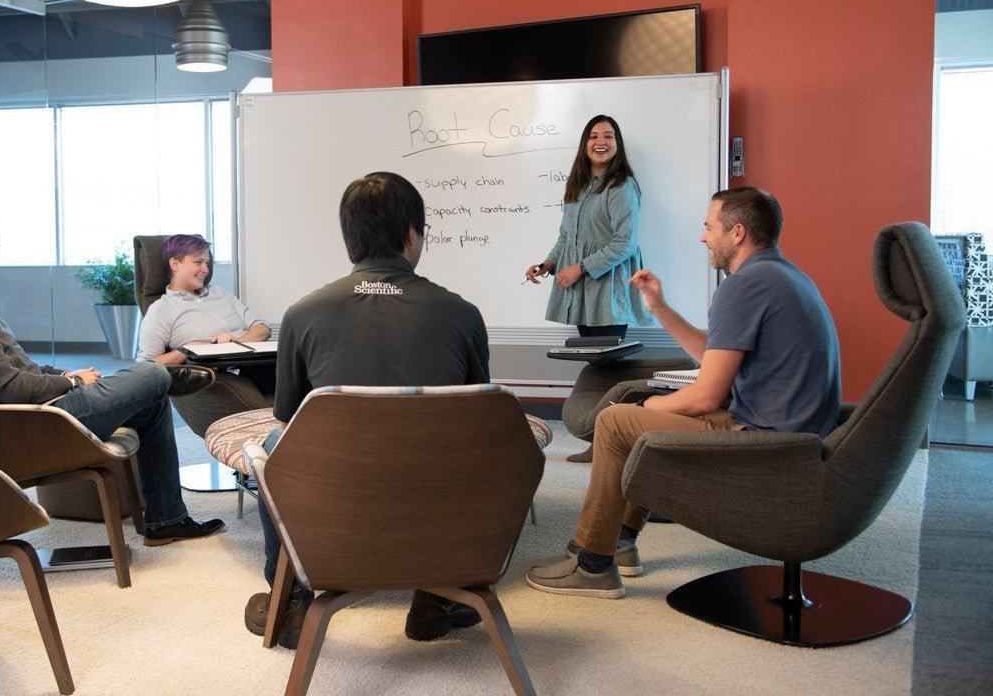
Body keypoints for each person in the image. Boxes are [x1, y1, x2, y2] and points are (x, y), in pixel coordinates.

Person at [526, 186, 840, 598]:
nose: (703, 236)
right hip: (792, 440)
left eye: (709, 227)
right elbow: (714, 355)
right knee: (640, 414)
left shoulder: (743, 287)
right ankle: (619, 541)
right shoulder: (781, 276)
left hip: (766, 445)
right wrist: (658, 307)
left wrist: (655, 404)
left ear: (738, 232)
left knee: (617, 418)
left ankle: (591, 562)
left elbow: (706, 397)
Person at [243, 171, 491, 649]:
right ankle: (442, 595)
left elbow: (288, 418)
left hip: (339, 497)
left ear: (349, 239)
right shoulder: (462, 314)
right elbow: (476, 419)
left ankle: (291, 597)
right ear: (412, 234)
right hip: (432, 493)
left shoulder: (301, 314)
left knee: (274, 446)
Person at [0, 194, 225, 546]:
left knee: (151, 399)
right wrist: (71, 382)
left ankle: (167, 520)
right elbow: (11, 387)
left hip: (26, 416)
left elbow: (20, 366)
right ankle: (163, 377)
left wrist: (65, 376)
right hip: (16, 431)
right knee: (150, 375)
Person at [524, 114, 652, 339]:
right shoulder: (578, 185)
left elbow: (625, 244)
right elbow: (566, 236)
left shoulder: (621, 186)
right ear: (585, 144)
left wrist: (580, 268)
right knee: (593, 358)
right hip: (582, 291)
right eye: (593, 136)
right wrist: (547, 263)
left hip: (608, 291)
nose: (600, 142)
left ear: (617, 145)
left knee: (606, 363)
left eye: (608, 136)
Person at [136, 233, 275, 396]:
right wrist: (186, 350)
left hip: (261, 361)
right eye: (198, 262)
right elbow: (145, 367)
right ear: (174, 264)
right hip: (229, 376)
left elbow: (262, 328)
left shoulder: (220, 293)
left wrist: (236, 343)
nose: (206, 269)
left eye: (207, 263)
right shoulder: (162, 309)